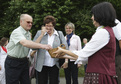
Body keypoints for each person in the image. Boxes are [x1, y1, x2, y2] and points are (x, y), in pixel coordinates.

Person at [54, 2, 117, 84]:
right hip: (101, 73)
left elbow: (83, 54)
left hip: (99, 75)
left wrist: (63, 51)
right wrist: (63, 55)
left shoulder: (103, 32)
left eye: (93, 15)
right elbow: (88, 58)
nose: (92, 18)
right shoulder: (106, 31)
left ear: (100, 15)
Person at [5, 14, 52, 84]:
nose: (30, 24)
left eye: (31, 22)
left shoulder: (28, 33)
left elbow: (33, 47)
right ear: (21, 22)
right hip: (13, 62)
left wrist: (42, 35)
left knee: (26, 82)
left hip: (24, 62)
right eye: (28, 22)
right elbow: (24, 43)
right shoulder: (17, 32)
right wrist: (43, 46)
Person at [33, 15, 68, 84]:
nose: (48, 28)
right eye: (47, 25)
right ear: (44, 25)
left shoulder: (59, 34)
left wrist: (66, 61)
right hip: (41, 65)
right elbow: (33, 47)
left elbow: (65, 48)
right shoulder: (39, 33)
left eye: (50, 26)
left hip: (54, 64)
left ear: (54, 26)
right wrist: (41, 35)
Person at [113, 19, 121, 84]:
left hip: (117, 55)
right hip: (115, 55)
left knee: (118, 76)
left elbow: (120, 39)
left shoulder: (115, 22)